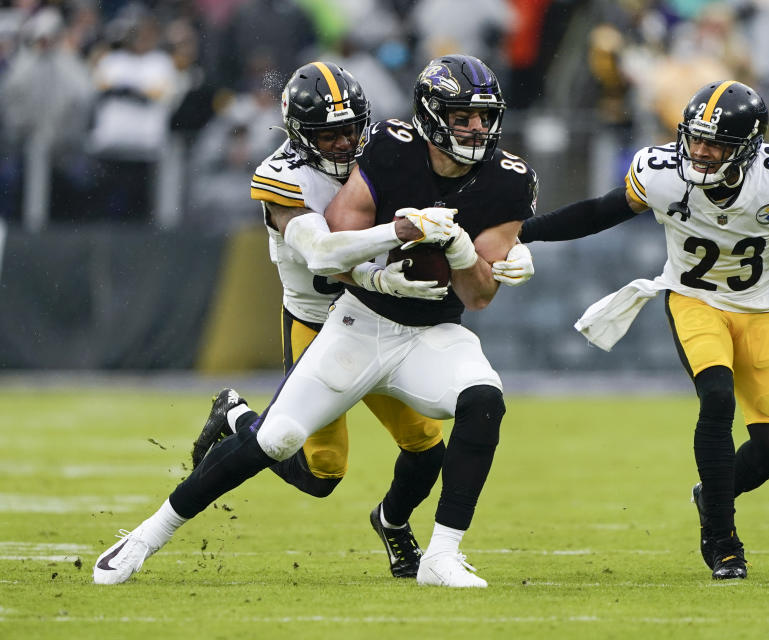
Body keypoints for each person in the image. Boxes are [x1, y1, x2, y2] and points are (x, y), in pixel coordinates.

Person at [93, 54, 537, 589]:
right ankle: (149, 529)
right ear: (301, 134)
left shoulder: (390, 147)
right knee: (304, 457)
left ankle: (417, 541)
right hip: (329, 318)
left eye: (353, 130)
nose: (346, 145)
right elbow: (326, 255)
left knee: (433, 443)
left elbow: (463, 227)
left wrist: (501, 253)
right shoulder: (284, 175)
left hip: (415, 326)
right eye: (329, 136)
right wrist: (386, 258)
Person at [520, 80, 769, 580]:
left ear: (747, 148)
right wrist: (522, 231)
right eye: (695, 138)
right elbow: (599, 212)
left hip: (759, 308)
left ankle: (710, 494)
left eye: (714, 143)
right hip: (694, 300)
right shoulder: (662, 174)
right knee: (716, 399)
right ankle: (724, 542)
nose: (699, 151)